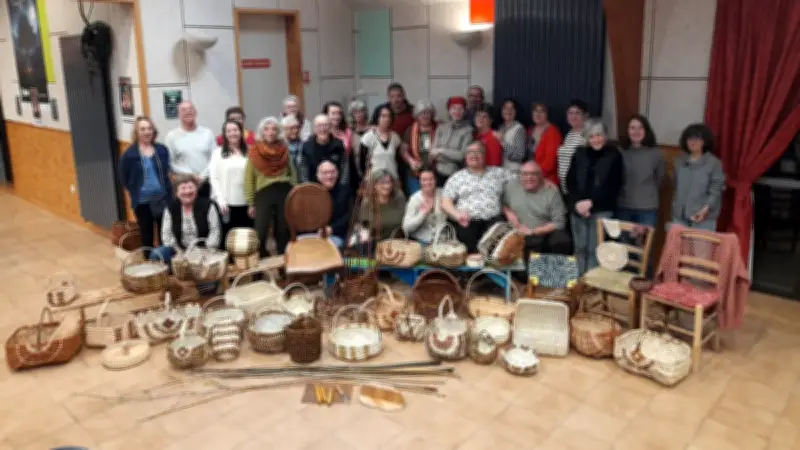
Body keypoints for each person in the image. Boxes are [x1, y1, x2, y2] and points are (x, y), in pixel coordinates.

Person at [566, 119, 624, 275]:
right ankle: (578, 284)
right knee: (579, 248)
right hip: (578, 209)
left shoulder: (614, 155)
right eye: (591, 136)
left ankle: (591, 285)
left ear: (605, 136)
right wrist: (578, 203)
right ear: (586, 137)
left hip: (601, 209)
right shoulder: (579, 153)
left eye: (599, 135)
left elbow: (615, 186)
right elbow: (569, 181)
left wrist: (591, 202)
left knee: (595, 250)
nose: (596, 139)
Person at [441, 141, 513, 252]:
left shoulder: (499, 173)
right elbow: (445, 202)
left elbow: (523, 179)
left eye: (478, 152)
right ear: (465, 157)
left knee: (498, 245)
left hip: (493, 222)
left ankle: (492, 268)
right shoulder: (457, 177)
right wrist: (457, 215)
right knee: (467, 247)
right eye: (470, 152)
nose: (473, 155)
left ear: (484, 155)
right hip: (467, 222)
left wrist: (544, 182)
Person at [244, 117, 297, 257]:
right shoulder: (254, 152)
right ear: (262, 132)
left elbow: (293, 173)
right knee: (260, 231)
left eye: (274, 129)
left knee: (283, 231)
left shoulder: (284, 149)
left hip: (284, 191)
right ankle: (259, 270)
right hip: (263, 194)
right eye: (267, 129)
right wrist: (250, 203)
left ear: (278, 131)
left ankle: (285, 267)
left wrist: (296, 194)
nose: (271, 132)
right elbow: (249, 179)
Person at [119, 116, 172, 252]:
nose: (147, 132)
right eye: (143, 129)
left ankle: (164, 263)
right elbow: (125, 179)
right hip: (142, 202)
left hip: (162, 199)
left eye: (149, 128)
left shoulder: (162, 150)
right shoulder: (129, 155)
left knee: (165, 235)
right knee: (146, 236)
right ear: (136, 132)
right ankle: (149, 266)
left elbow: (167, 172)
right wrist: (136, 191)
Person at [151, 174, 222, 267]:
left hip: (203, 252)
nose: (187, 191)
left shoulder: (208, 205)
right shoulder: (170, 208)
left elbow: (215, 231)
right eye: (183, 188)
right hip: (179, 251)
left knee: (206, 279)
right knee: (157, 254)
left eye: (190, 187)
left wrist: (206, 252)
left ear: (196, 189)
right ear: (177, 192)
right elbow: (166, 234)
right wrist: (179, 252)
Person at [504, 161, 570, 255]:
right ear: (520, 175)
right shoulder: (511, 187)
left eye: (533, 174)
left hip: (542, 234)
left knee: (561, 240)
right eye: (525, 174)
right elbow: (502, 204)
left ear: (540, 176)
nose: (529, 177)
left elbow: (559, 223)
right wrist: (509, 213)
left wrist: (533, 231)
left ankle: (552, 269)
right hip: (516, 233)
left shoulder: (552, 192)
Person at [671, 123, 725, 230]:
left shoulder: (714, 163)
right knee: (678, 247)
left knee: (700, 247)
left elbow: (716, 190)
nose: (692, 142)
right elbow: (675, 185)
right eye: (690, 138)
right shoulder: (680, 161)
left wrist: (705, 209)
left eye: (697, 138)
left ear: (705, 141)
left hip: (703, 218)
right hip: (679, 216)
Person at [617, 115, 665, 227]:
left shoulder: (655, 153)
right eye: (632, 128)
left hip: (647, 208)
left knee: (644, 244)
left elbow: (660, 179)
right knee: (622, 244)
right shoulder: (620, 152)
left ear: (646, 130)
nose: (636, 131)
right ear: (627, 131)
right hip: (623, 206)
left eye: (640, 127)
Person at [208, 120, 252, 241]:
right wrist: (220, 200)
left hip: (246, 203)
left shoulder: (250, 151)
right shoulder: (217, 153)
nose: (233, 133)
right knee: (229, 239)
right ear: (225, 134)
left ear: (241, 132)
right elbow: (214, 178)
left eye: (235, 130)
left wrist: (253, 202)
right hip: (226, 205)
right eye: (229, 131)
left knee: (246, 239)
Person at [164, 101, 216, 198]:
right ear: (179, 115)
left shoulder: (207, 133)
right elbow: (169, 162)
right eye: (184, 110)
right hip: (184, 186)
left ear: (196, 112)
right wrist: (190, 176)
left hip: (205, 183)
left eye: (191, 109)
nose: (188, 112)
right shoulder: (171, 136)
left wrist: (203, 176)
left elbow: (214, 158)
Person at [430, 96, 473, 187]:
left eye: (460, 108)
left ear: (464, 111)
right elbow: (433, 153)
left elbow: (462, 156)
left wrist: (441, 151)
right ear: (449, 110)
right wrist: (452, 154)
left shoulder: (468, 130)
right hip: (438, 173)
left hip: (456, 174)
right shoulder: (441, 127)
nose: (457, 111)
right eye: (454, 108)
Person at [297, 114, 347, 185]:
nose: (322, 129)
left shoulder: (339, 145)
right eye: (319, 126)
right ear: (314, 129)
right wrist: (307, 189)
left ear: (330, 127)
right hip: (314, 189)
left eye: (325, 125)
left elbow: (344, 169)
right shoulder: (306, 147)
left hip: (336, 188)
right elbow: (303, 173)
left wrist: (343, 188)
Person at [358, 170, 406, 241]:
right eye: (382, 183)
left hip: (398, 242)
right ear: (374, 185)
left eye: (389, 182)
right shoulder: (367, 202)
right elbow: (365, 227)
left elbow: (406, 221)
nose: (387, 186)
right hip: (377, 243)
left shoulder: (399, 197)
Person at [359, 105, 404, 181]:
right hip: (374, 181)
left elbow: (399, 162)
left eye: (389, 116)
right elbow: (361, 162)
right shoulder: (368, 137)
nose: (387, 119)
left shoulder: (395, 137)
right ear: (377, 118)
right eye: (383, 116)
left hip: (392, 180)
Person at [402, 100, 438, 194]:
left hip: (434, 171)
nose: (425, 115)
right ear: (417, 115)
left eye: (428, 113)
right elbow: (403, 150)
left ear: (432, 114)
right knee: (416, 198)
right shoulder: (410, 129)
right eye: (422, 113)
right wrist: (411, 161)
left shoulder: (439, 128)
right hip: (415, 172)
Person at [402, 167, 446, 244]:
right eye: (424, 180)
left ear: (435, 180)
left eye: (431, 179)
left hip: (442, 240)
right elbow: (406, 228)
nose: (428, 183)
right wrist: (422, 214)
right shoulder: (414, 199)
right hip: (422, 241)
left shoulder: (443, 194)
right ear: (419, 182)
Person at [317, 161, 351, 248]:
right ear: (318, 176)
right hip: (315, 235)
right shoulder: (312, 193)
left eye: (332, 172)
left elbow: (349, 216)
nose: (329, 176)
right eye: (325, 173)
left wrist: (332, 229)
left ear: (337, 174)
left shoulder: (345, 191)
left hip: (338, 235)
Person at [558, 99, 589, 194]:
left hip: (579, 189)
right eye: (570, 113)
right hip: (564, 188)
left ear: (585, 116)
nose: (573, 116)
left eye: (577, 113)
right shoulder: (569, 134)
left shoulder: (588, 135)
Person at [528, 103, 563, 186]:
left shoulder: (552, 132)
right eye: (535, 111)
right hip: (531, 178)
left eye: (542, 111)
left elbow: (550, 162)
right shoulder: (530, 130)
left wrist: (535, 176)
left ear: (547, 114)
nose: (538, 114)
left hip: (546, 180)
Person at [494, 99, 527, 173]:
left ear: (516, 111)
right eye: (505, 108)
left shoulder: (519, 128)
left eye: (511, 108)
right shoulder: (500, 127)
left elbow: (519, 155)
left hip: (513, 171)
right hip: (500, 170)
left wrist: (502, 142)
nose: (508, 111)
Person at [348, 100, 371, 185]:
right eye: (355, 112)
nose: (359, 114)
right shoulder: (349, 132)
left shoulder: (373, 130)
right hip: (355, 171)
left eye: (361, 111)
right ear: (352, 114)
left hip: (372, 169)